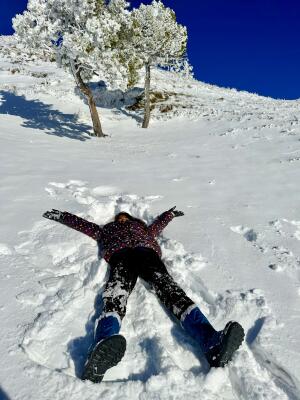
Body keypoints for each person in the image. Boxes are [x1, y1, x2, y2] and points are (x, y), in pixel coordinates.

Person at [43, 207, 244, 383]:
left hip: (146, 253)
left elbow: (158, 225)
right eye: (119, 217)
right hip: (120, 254)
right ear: (115, 221)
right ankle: (100, 349)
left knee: (170, 289)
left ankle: (212, 344)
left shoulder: (144, 229)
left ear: (132, 219)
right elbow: (84, 225)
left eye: (125, 217)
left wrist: (169, 214)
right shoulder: (106, 230)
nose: (122, 219)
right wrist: (62, 216)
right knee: (116, 293)